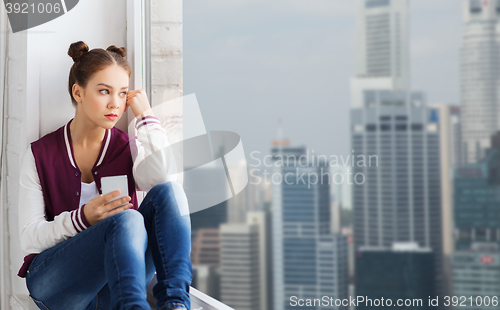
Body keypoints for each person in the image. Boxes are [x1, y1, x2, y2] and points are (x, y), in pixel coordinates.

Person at [16, 41, 192, 310]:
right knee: (128, 218)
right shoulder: (40, 153)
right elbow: (30, 237)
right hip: (57, 288)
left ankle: (176, 305)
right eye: (104, 91)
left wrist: (146, 117)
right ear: (78, 92)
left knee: (170, 193)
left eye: (122, 94)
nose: (115, 103)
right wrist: (83, 218)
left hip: (115, 287)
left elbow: (165, 180)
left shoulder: (128, 146)